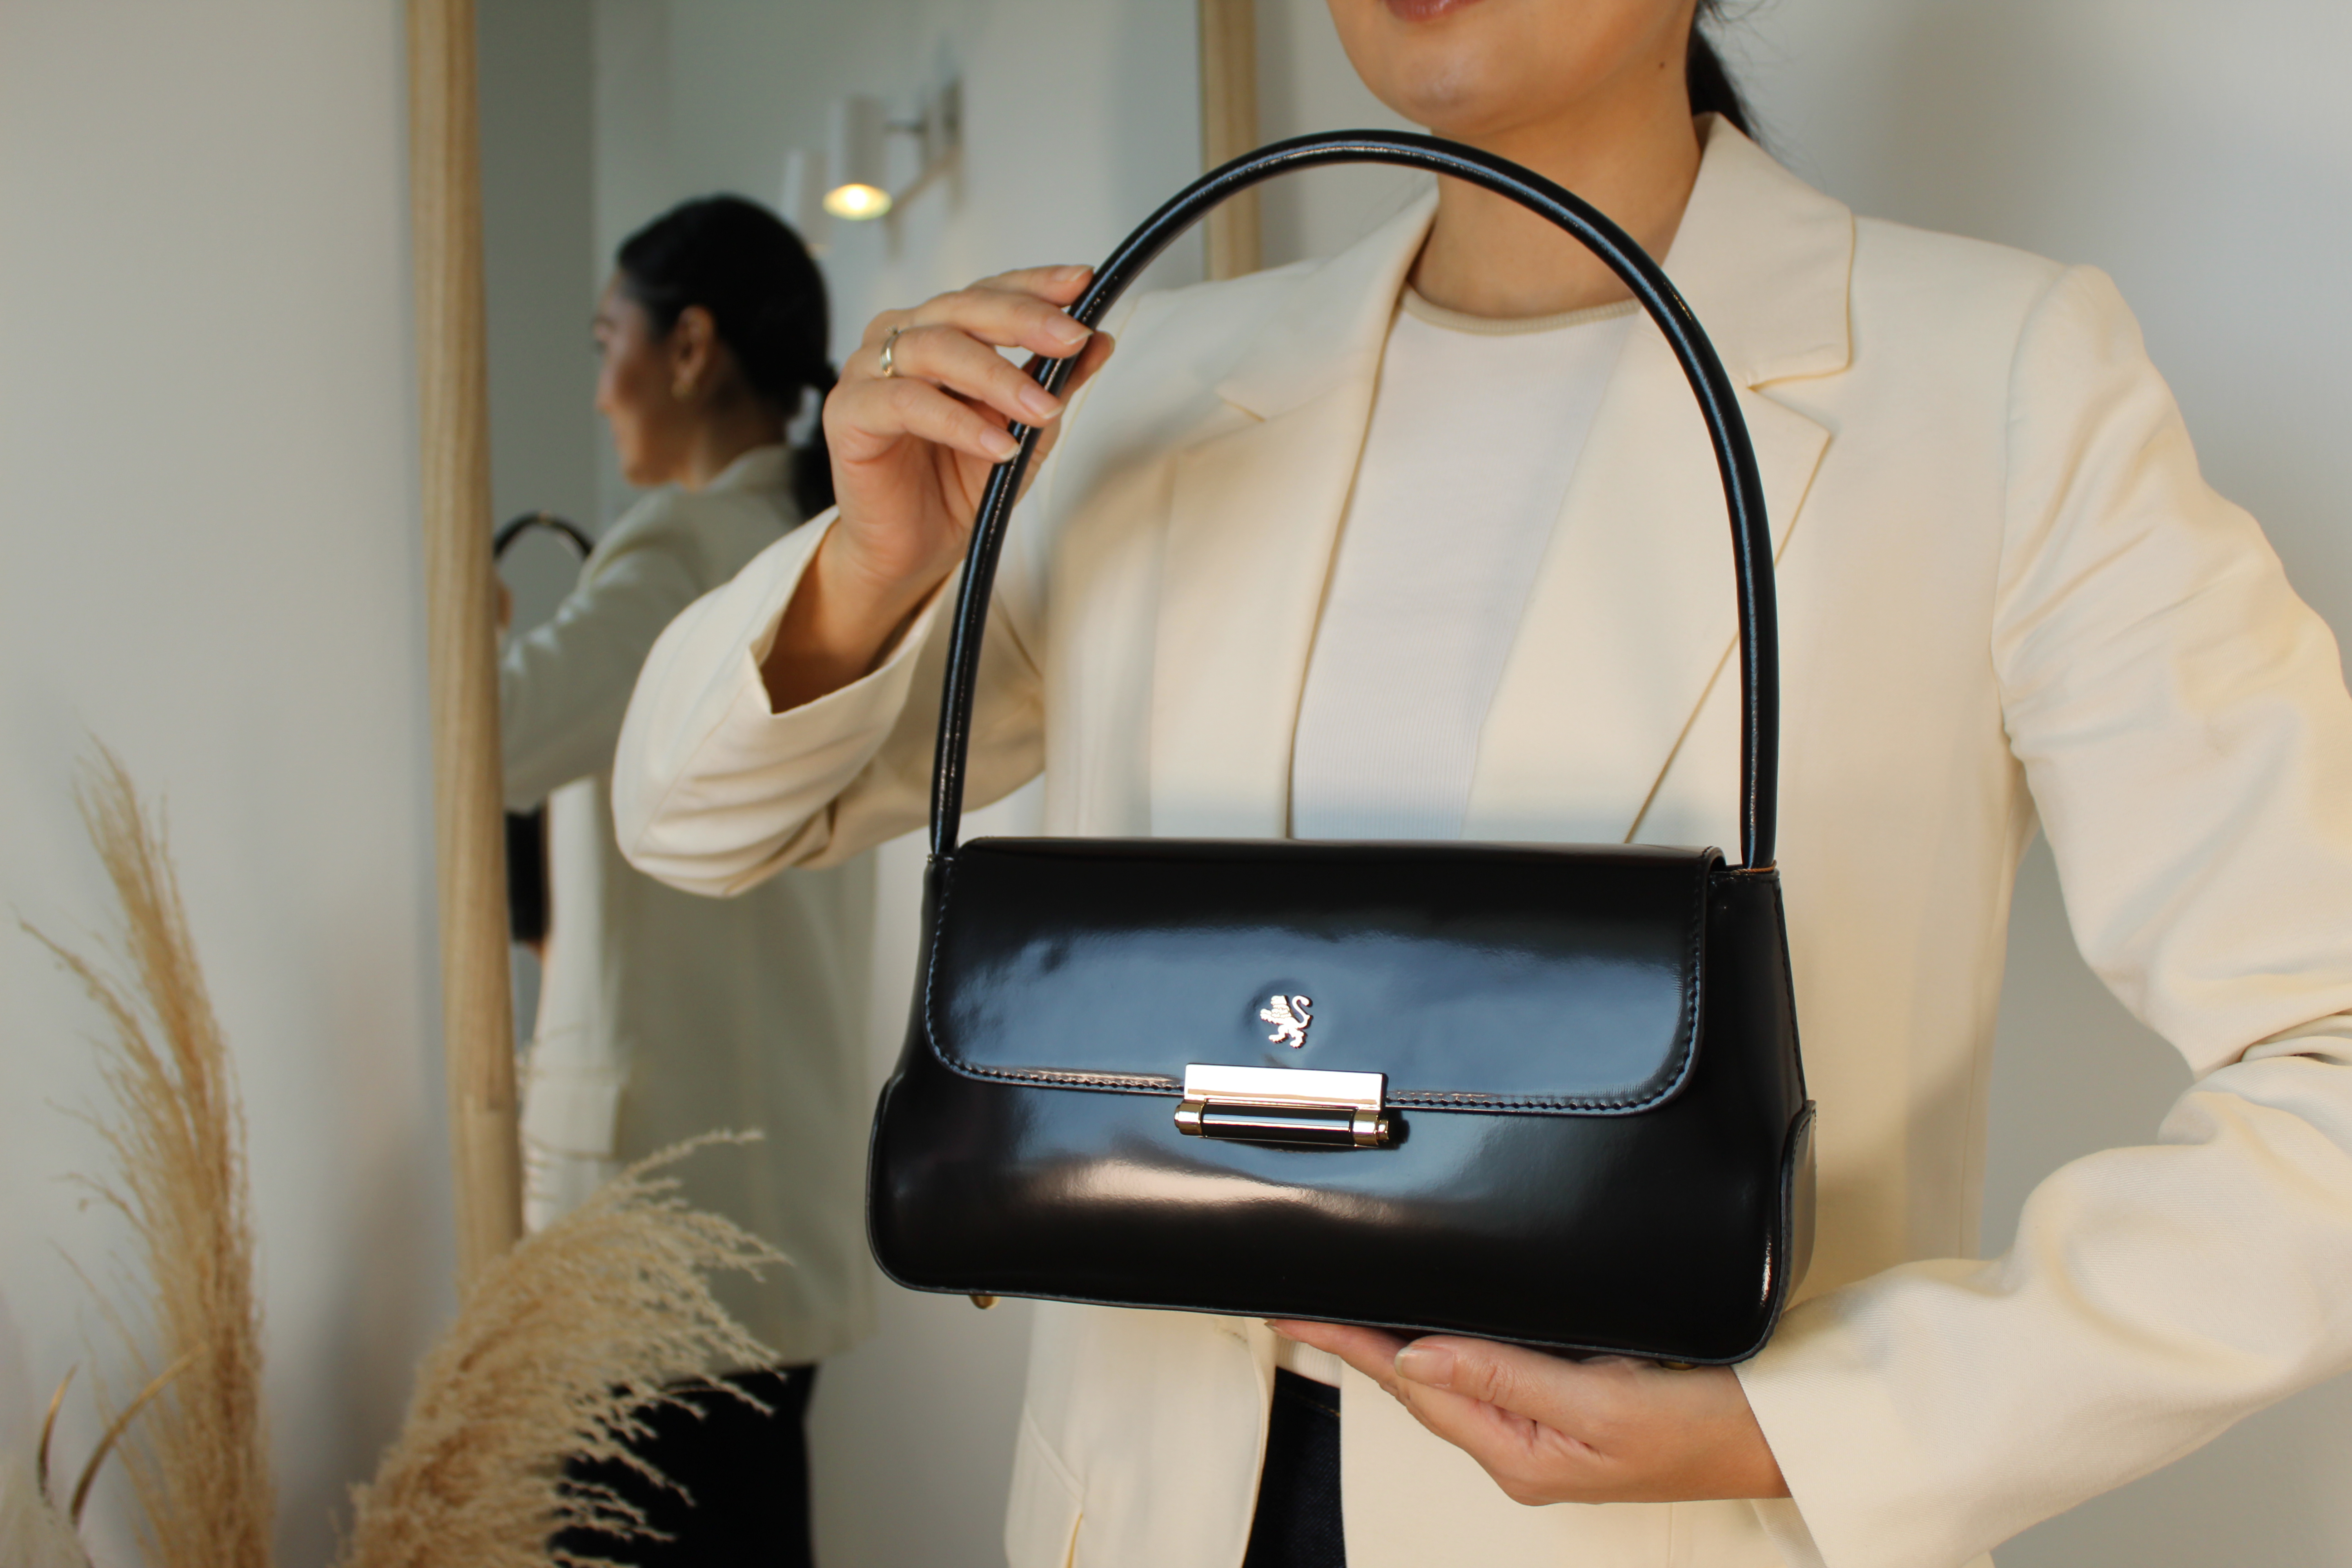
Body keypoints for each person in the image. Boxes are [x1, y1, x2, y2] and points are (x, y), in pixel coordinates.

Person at [609, 3, 2352, 1566]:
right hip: (1146, 1503)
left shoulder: (1998, 382)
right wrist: (870, 563)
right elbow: (695, 816)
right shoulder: (1150, 385)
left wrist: (1805, 1424)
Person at [498, 195, 872, 1568]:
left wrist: (461, 625)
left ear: (692, 347)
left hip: (663, 1220)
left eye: (609, 341)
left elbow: (493, 734)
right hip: (775, 1199)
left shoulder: (681, 557)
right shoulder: (817, 547)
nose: (600, 389)